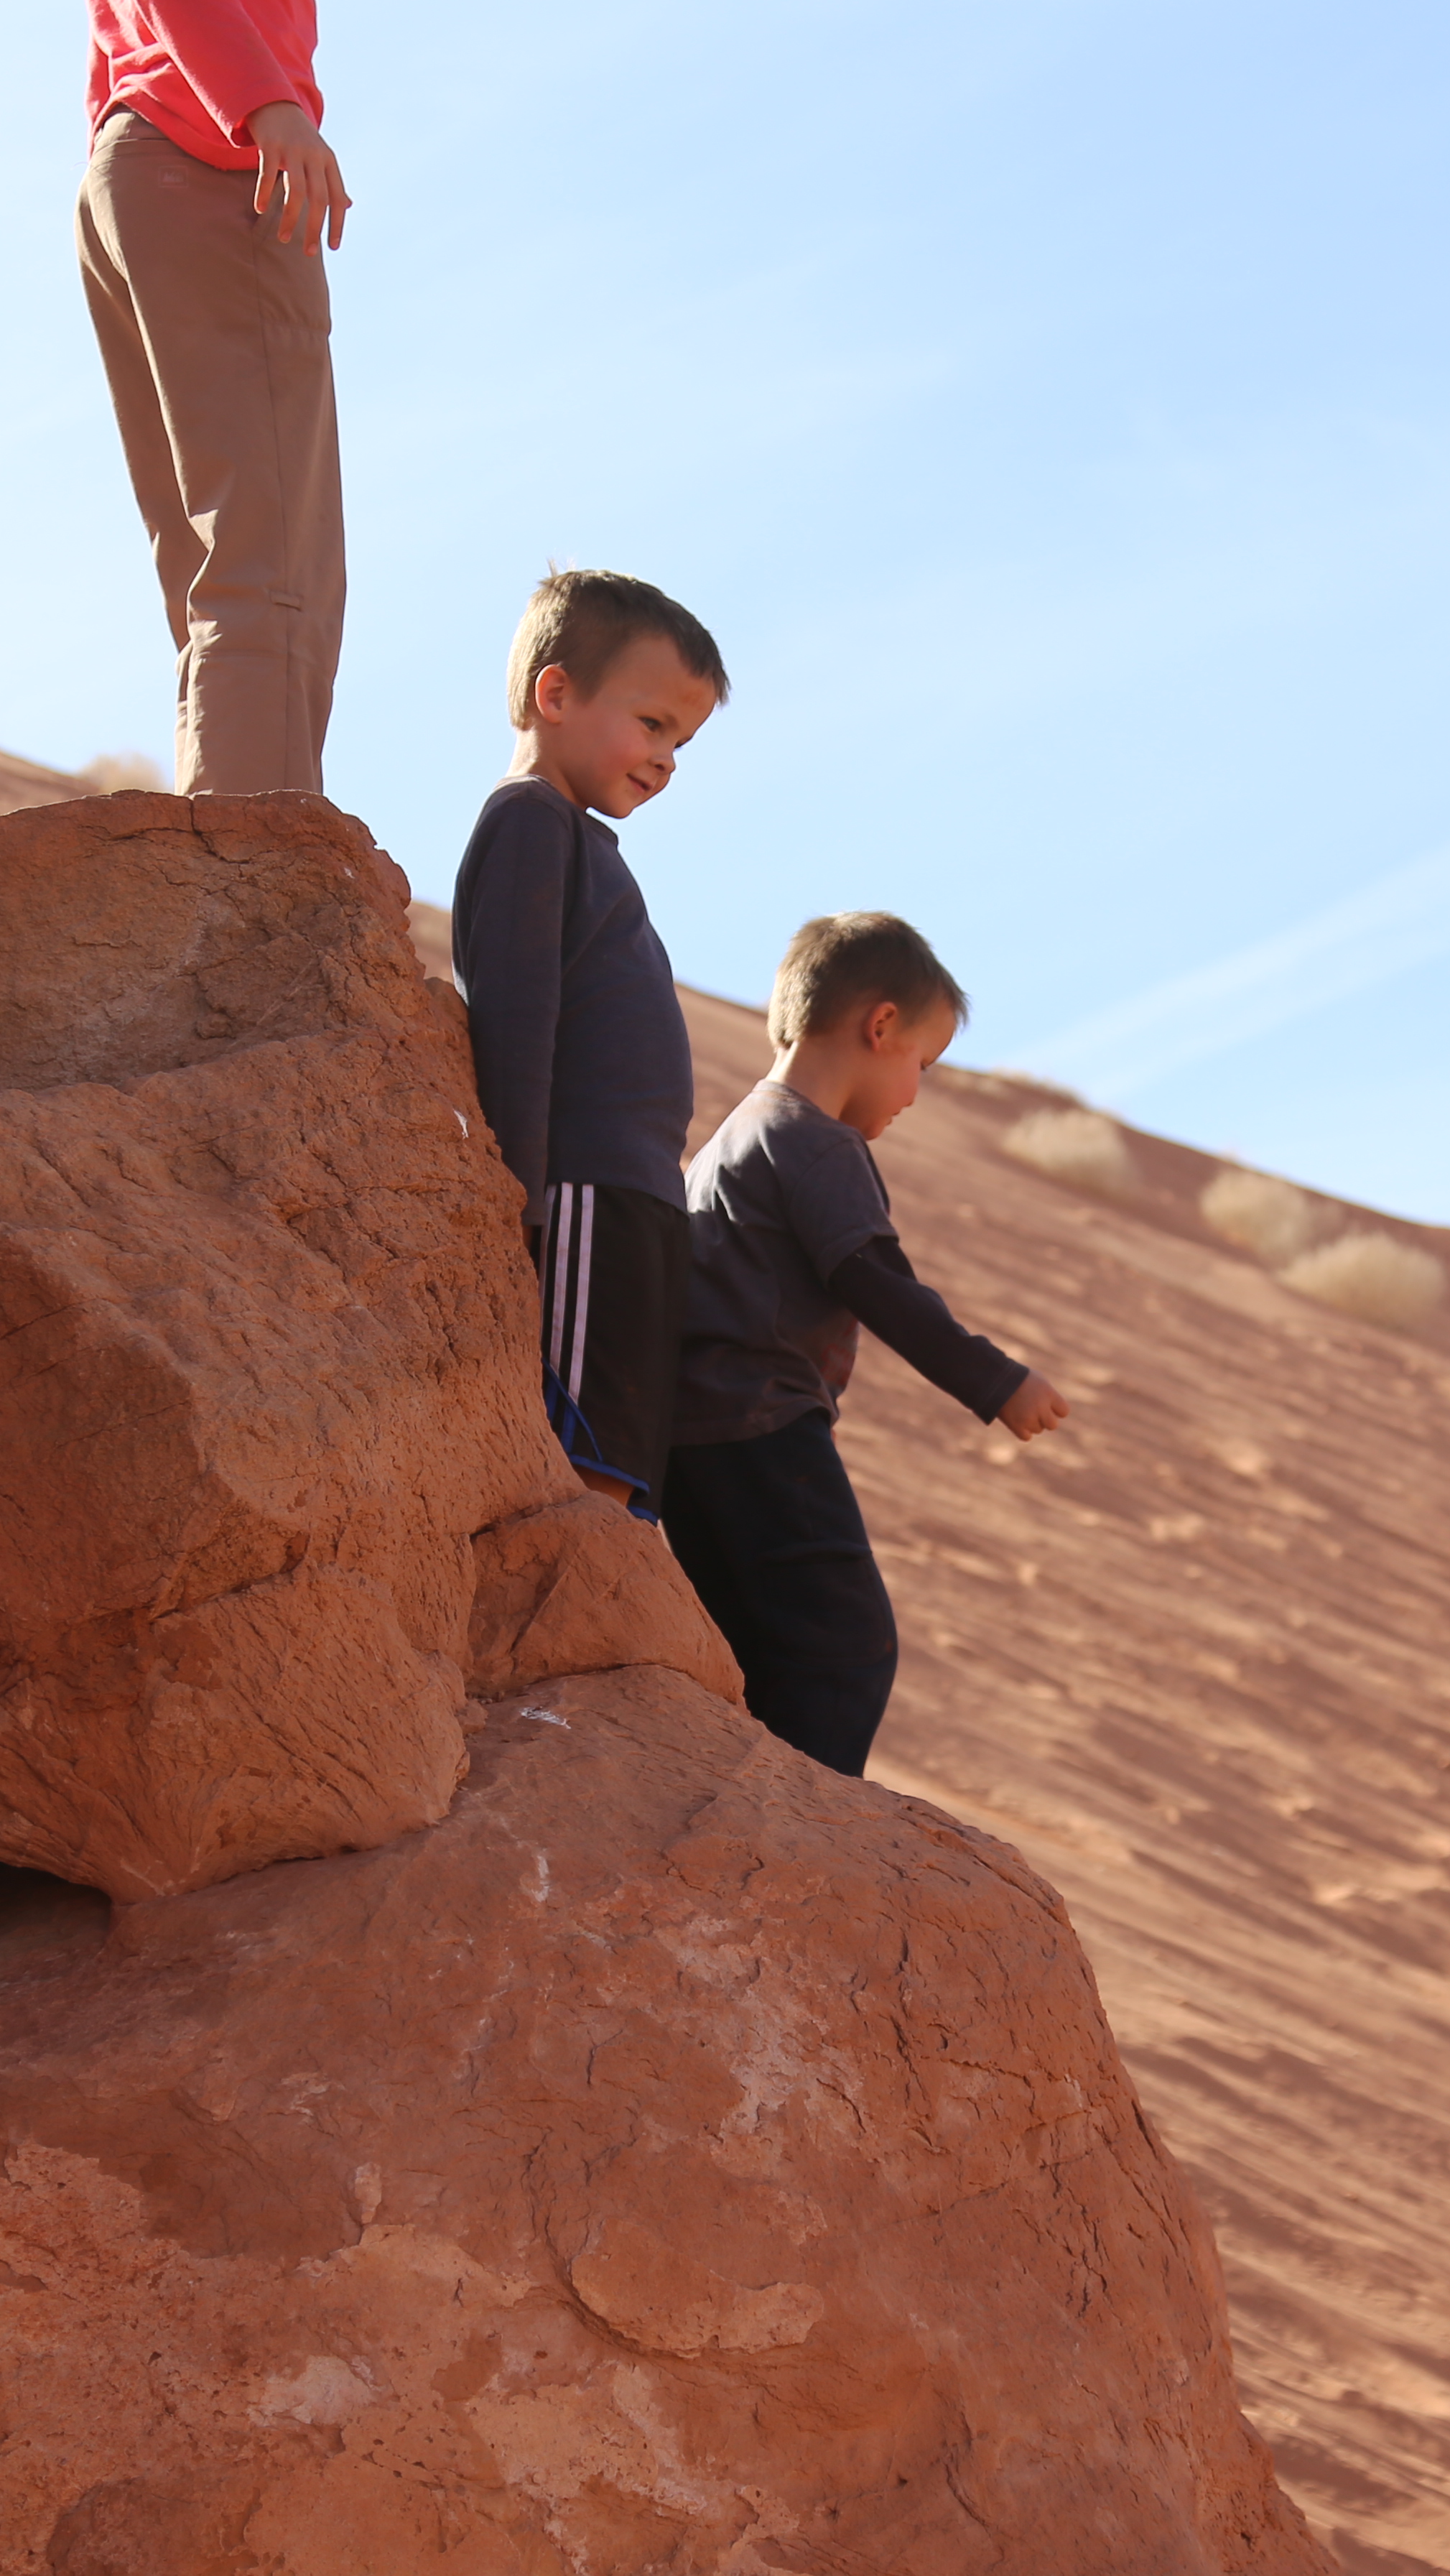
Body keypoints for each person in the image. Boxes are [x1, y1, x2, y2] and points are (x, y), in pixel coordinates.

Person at [670, 915, 1069, 1775]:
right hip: (764, 1433)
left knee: (756, 1651)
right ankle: (796, 1835)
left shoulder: (727, 1143)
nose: (916, 1094)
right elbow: (878, 1283)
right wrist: (997, 1381)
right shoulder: (816, 1144)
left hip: (687, 1451)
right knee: (845, 1650)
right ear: (879, 1026)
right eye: (920, 1066)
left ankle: (737, 1809)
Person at [450, 571, 730, 1521]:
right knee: (580, 1442)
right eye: (652, 725)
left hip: (639, 1198)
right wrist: (516, 1207)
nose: (666, 761)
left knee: (622, 1451)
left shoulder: (577, 838)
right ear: (557, 694)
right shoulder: (529, 822)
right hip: (578, 1196)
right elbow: (516, 1023)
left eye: (682, 742)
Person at [78, 1, 353, 797]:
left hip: (140, 156)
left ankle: (220, 847)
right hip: (215, 161)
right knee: (275, 557)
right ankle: (256, 877)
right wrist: (266, 105)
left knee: (217, 564)